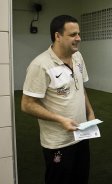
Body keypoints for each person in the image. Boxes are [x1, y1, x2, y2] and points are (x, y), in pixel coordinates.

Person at [21, 15, 95, 184]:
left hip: (81, 135)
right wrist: (60, 119)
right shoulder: (40, 65)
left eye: (79, 34)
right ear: (58, 36)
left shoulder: (78, 57)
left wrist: (90, 113)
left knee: (81, 178)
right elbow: (27, 105)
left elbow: (80, 88)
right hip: (58, 143)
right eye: (73, 34)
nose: (79, 38)